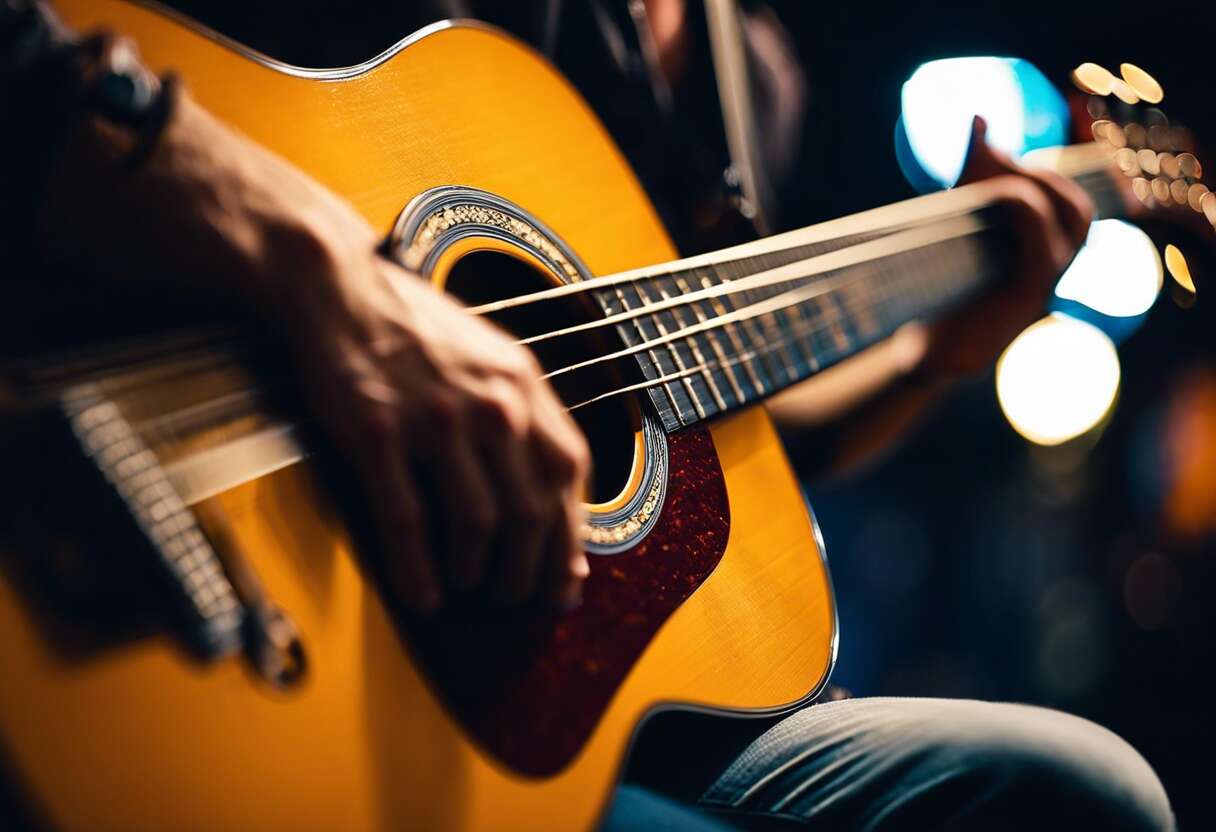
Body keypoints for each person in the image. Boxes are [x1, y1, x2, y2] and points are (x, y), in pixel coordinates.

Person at [0, 1, 1176, 829]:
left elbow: (712, 434)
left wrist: (934, 354)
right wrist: (330, 279)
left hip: (507, 692)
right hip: (133, 514)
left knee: (1072, 794)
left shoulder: (750, 71)